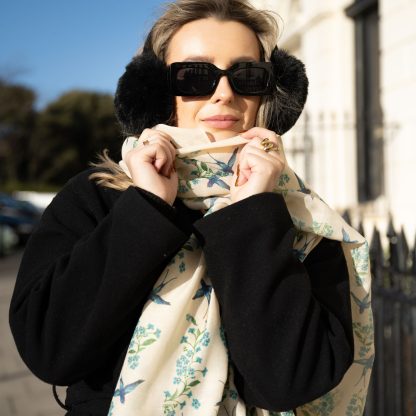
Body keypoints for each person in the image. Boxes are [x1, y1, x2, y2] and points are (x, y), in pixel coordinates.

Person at [9, 0, 373, 415]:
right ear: (154, 90)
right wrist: (146, 207)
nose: (225, 93)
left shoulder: (302, 218)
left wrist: (253, 210)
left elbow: (289, 382)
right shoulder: (98, 196)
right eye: (195, 75)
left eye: (247, 75)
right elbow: (51, 350)